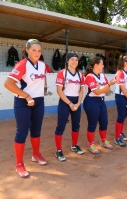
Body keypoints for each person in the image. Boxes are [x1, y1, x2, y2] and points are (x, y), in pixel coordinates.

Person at [4, 39, 47, 178]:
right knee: (22, 132)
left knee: (36, 130)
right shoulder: (22, 64)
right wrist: (27, 95)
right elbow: (8, 83)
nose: (37, 53)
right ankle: (19, 164)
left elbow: (42, 79)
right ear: (27, 50)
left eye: (39, 51)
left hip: (39, 101)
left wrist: (43, 89)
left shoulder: (42, 65)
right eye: (33, 50)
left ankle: (36, 154)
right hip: (23, 102)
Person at [54, 53, 85, 162]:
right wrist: (70, 104)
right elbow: (59, 91)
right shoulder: (62, 73)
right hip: (65, 101)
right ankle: (58, 151)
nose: (74, 62)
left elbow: (81, 90)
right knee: (61, 126)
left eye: (76, 60)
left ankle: (74, 145)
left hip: (76, 101)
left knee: (76, 125)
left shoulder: (81, 74)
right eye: (72, 59)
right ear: (67, 61)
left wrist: (78, 103)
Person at [83, 56, 116, 154]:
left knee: (104, 122)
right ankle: (91, 145)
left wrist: (102, 87)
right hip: (91, 102)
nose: (103, 66)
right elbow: (97, 92)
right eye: (101, 64)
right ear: (96, 65)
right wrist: (107, 85)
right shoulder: (89, 76)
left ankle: (103, 141)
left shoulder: (102, 75)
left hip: (101, 101)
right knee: (92, 124)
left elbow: (107, 90)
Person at [114, 55, 127, 147]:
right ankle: (116, 138)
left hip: (126, 96)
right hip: (120, 96)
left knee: (124, 116)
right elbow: (123, 89)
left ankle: (121, 133)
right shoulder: (120, 73)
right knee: (121, 116)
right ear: (125, 63)